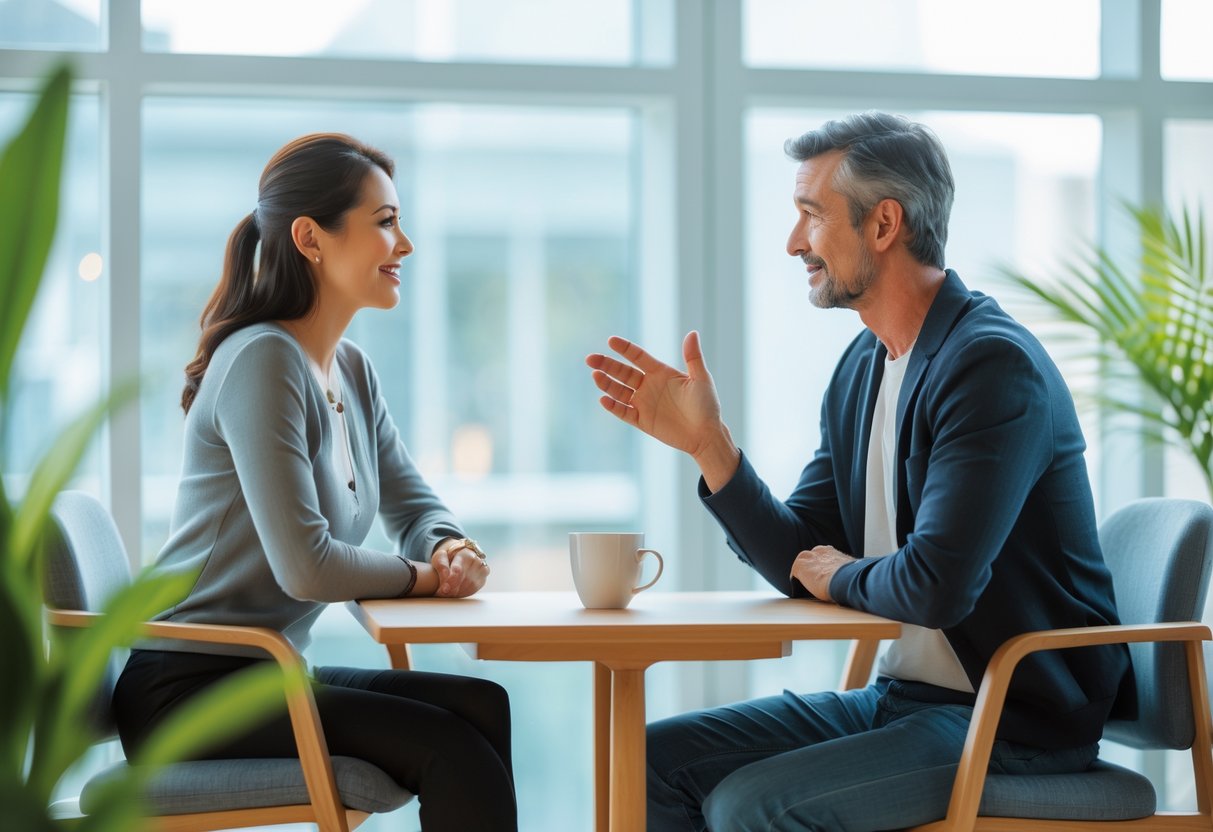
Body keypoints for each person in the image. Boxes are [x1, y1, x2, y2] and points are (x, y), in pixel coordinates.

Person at [585, 112, 1131, 831]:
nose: (791, 243)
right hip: (907, 701)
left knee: (752, 808)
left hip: (1009, 719)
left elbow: (934, 587)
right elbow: (798, 556)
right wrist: (710, 449)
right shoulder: (863, 367)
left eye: (810, 216)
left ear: (882, 225)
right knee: (648, 762)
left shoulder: (989, 368)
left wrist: (836, 574)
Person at [112, 133, 516, 831]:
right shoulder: (263, 360)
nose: (406, 245)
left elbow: (411, 500)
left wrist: (446, 545)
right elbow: (306, 565)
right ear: (310, 238)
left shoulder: (349, 368)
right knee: (451, 748)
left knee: (482, 707)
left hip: (263, 675)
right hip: (188, 691)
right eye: (385, 222)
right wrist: (424, 578)